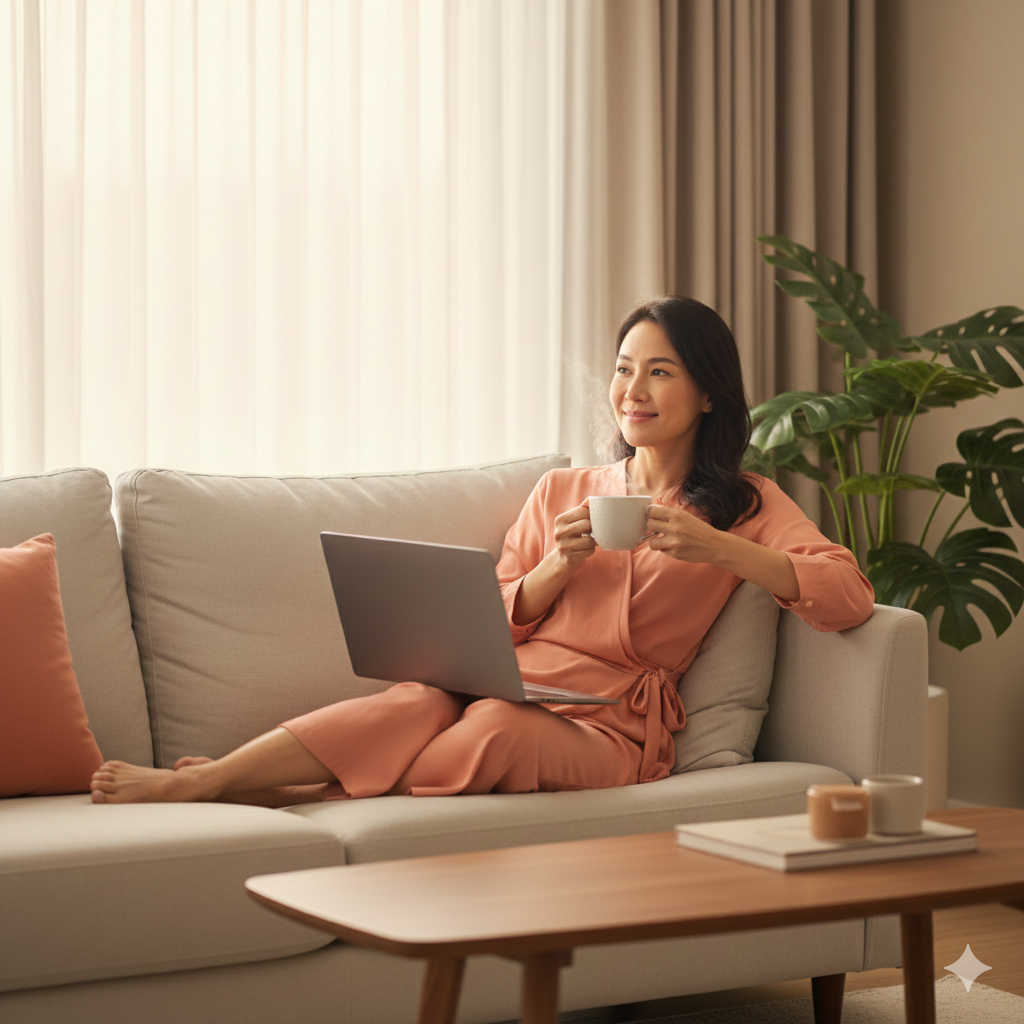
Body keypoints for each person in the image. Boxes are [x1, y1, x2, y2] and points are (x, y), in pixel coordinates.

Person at [90, 297, 874, 806]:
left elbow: (847, 596)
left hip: (613, 731)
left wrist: (725, 552)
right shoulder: (564, 490)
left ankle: (299, 790)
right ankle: (213, 781)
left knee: (492, 726)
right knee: (414, 702)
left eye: (659, 372)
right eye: (624, 369)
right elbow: (493, 621)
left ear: (708, 394)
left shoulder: (747, 504)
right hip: (517, 682)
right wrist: (552, 571)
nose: (633, 389)